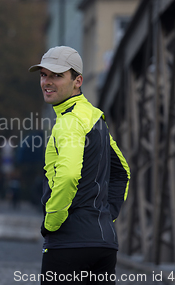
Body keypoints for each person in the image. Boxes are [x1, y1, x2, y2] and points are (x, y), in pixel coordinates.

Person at [28, 46, 130, 284]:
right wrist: (106, 216)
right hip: (104, 244)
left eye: (57, 75)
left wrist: (51, 224)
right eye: (43, 75)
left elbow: (68, 175)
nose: (47, 82)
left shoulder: (69, 122)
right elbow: (122, 171)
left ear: (78, 81)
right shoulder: (95, 118)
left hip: (69, 245)